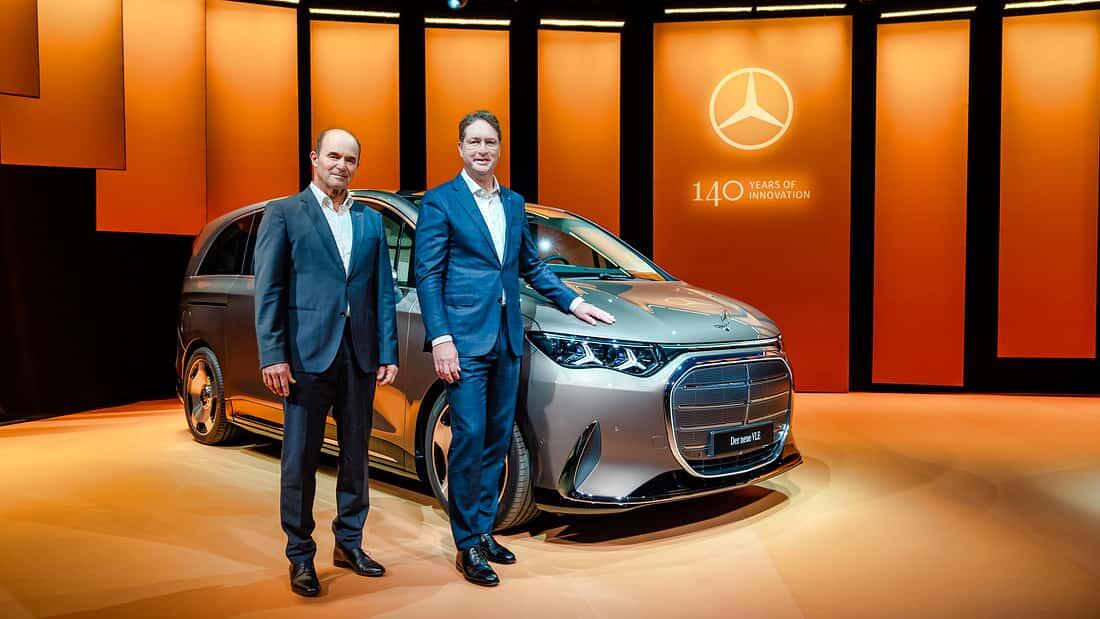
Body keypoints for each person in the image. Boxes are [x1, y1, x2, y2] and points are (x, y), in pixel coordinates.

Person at [414, 110, 615, 586]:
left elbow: (530, 265)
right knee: (468, 438)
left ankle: (483, 531)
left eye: (490, 142)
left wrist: (574, 302)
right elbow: (428, 274)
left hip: (506, 338)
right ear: (460, 148)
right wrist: (441, 339)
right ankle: (466, 543)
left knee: (495, 439)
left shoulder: (513, 202)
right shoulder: (441, 201)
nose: (482, 150)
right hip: (463, 341)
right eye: (474, 142)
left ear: (499, 148)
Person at [254, 128, 399, 597]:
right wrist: (273, 354)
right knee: (300, 458)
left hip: (359, 354)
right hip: (305, 355)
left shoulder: (370, 221)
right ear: (314, 157)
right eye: (334, 156)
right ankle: (300, 554)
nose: (342, 165)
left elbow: (382, 291)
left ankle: (349, 543)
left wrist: (388, 351)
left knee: (356, 456)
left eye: (350, 159)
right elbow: (269, 289)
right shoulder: (284, 213)